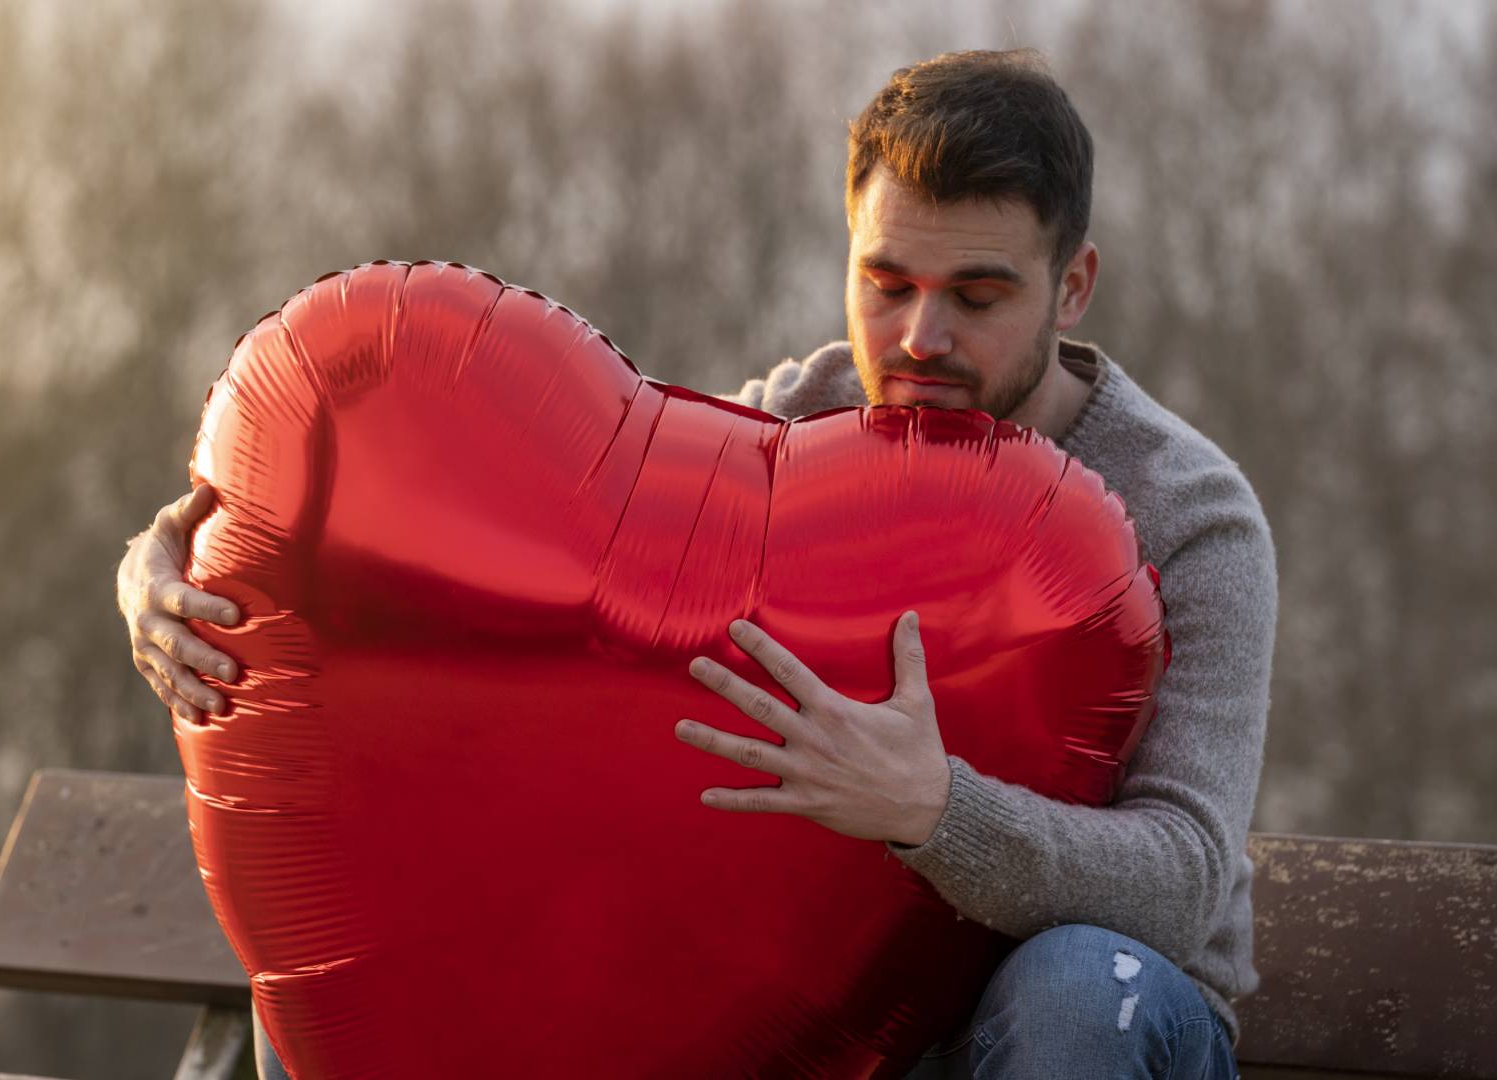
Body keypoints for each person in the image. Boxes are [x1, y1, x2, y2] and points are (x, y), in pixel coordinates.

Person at [117, 48, 1271, 1080]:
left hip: (1087, 1030)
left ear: (1071, 288)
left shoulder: (1189, 514)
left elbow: (1179, 882)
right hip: (811, 1022)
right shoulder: (798, 428)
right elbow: (532, 587)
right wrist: (190, 557)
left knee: (1074, 985)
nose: (921, 338)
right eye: (887, 284)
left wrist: (934, 811)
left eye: (977, 297)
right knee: (372, 870)